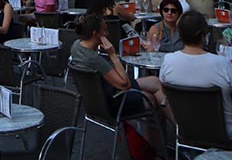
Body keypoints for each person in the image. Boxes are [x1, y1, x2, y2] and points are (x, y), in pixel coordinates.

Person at [70, 13, 173, 120]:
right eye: (104, 30)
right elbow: (125, 84)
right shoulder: (94, 60)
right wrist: (112, 55)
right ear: (95, 33)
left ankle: (176, 128)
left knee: (155, 81)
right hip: (110, 103)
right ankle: (175, 129)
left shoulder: (76, 46)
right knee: (151, 98)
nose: (107, 33)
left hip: (95, 100)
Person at [160, 9, 232, 137]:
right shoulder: (223, 64)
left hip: (187, 129)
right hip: (224, 133)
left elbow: (165, 92)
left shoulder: (168, 61)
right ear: (204, 35)